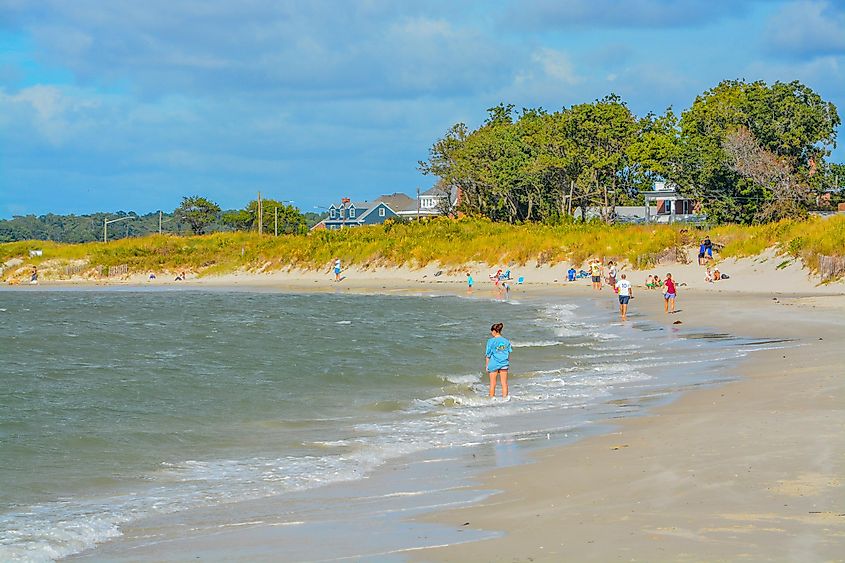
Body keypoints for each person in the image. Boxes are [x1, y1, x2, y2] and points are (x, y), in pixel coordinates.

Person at [485, 322, 512, 398]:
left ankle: (491, 400)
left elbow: (488, 355)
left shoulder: (490, 341)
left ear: (494, 331)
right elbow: (508, 352)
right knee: (504, 383)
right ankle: (505, 400)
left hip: (494, 364)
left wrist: (487, 366)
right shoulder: (506, 341)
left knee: (493, 384)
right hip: (504, 363)